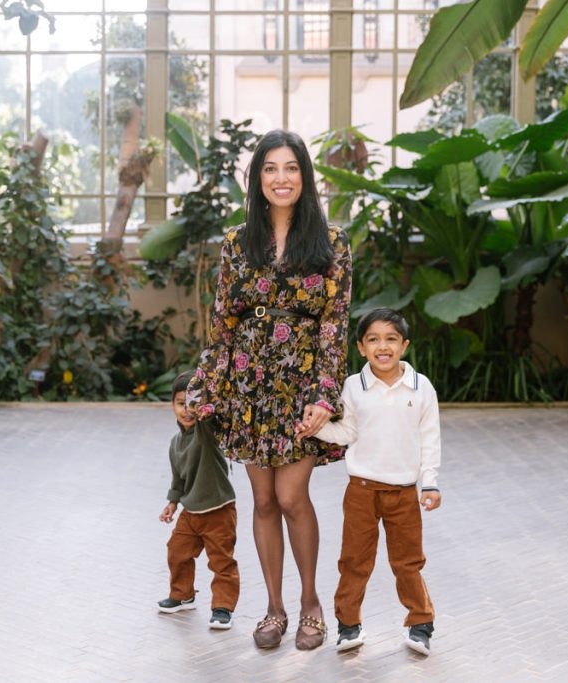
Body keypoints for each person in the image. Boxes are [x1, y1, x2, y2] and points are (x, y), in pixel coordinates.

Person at [186, 129, 352, 650]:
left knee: (291, 494)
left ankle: (311, 604)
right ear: (257, 179)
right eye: (270, 169)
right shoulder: (237, 243)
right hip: (248, 385)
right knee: (261, 501)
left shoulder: (333, 244)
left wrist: (325, 397)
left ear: (305, 176)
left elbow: (335, 325)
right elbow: (222, 324)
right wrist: (205, 388)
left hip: (302, 387)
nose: (281, 178)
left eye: (291, 168)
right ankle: (274, 609)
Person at [314, 307, 442, 656]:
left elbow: (430, 438)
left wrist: (429, 483)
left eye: (390, 339)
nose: (382, 346)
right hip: (361, 491)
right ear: (360, 347)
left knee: (407, 561)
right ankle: (348, 625)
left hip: (403, 493)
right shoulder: (354, 386)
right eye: (373, 339)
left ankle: (420, 623)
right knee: (354, 561)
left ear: (404, 345)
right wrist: (315, 428)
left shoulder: (421, 386)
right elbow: (347, 431)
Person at [158, 371, 239, 630]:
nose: (187, 410)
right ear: (172, 405)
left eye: (192, 403)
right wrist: (172, 502)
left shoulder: (205, 432)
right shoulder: (175, 443)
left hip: (218, 511)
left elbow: (210, 412)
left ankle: (222, 608)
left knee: (221, 561)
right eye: (181, 403)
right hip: (191, 512)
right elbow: (178, 478)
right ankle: (183, 595)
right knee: (176, 551)